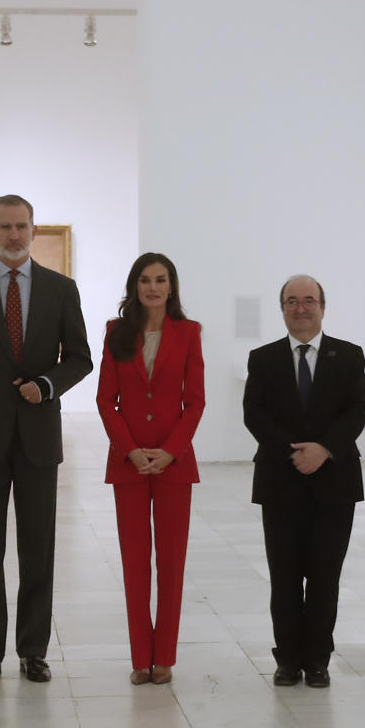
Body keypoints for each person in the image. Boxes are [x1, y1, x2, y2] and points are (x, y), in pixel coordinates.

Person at [0, 195, 93, 684]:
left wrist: (46, 385)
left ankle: (33, 650)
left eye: (21, 226)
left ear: (33, 230)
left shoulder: (60, 289)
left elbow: (79, 357)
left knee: (38, 548)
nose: (13, 235)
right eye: (4, 226)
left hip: (37, 441)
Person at [243, 274, 365, 688]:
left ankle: (318, 659)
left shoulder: (349, 356)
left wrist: (323, 450)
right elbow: (254, 414)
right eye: (292, 301)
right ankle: (287, 659)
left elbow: (356, 411)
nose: (301, 308)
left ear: (322, 307)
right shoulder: (262, 359)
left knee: (324, 575)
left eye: (309, 300)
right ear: (282, 309)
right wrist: (294, 453)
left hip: (334, 483)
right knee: (283, 576)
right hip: (281, 482)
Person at [96, 253, 205, 684]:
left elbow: (194, 400)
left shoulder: (188, 333)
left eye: (161, 280)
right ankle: (141, 657)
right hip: (130, 465)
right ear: (134, 286)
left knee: (172, 564)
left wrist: (171, 450)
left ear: (172, 286)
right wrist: (131, 449)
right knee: (134, 562)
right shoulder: (116, 332)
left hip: (174, 465)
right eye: (145, 280)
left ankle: (166, 659)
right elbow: (106, 399)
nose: (153, 288)